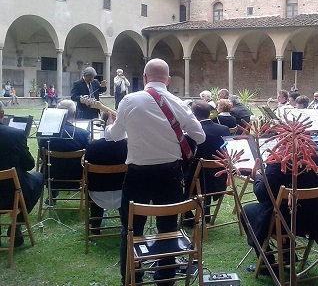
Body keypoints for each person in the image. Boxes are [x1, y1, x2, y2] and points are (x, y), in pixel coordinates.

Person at [104, 58, 205, 285]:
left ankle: (131, 277)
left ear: (145, 77)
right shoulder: (178, 102)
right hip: (169, 174)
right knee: (167, 227)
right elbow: (200, 136)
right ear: (168, 80)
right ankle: (165, 278)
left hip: (137, 174)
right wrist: (176, 137)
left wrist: (109, 127)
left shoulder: (129, 100)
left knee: (130, 228)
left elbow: (116, 135)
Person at [242, 157, 318, 274]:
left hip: (288, 223)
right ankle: (287, 253)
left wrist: (257, 176)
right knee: (280, 207)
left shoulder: (277, 163)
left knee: (248, 211)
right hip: (315, 221)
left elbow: (262, 195)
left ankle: (268, 265)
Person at [0, 101, 44, 247]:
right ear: (2, 115)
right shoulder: (15, 134)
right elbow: (29, 165)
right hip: (11, 193)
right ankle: (16, 224)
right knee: (38, 178)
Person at [183, 100, 229, 221]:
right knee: (203, 171)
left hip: (198, 178)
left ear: (193, 114)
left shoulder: (192, 133)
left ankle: (187, 215)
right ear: (210, 113)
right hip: (219, 177)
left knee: (183, 173)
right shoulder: (224, 129)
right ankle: (206, 210)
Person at [37, 100, 90, 199]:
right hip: (77, 177)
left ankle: (52, 195)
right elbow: (88, 158)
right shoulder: (83, 134)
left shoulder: (46, 134)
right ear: (74, 114)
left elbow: (42, 156)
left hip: (51, 178)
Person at [84, 137, 128, 234]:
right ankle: (127, 225)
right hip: (123, 193)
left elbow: (86, 174)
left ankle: (95, 227)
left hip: (96, 193)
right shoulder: (128, 145)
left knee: (96, 183)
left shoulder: (93, 146)